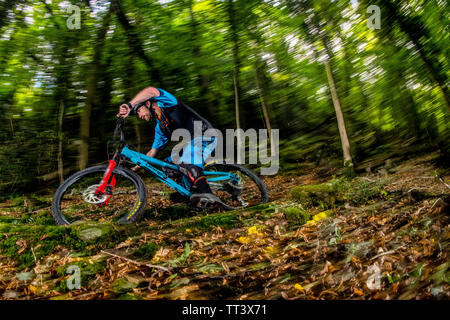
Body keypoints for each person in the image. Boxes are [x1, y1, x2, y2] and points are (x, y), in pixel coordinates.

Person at [117, 86, 219, 207]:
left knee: (187, 161)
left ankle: (210, 196)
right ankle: (191, 194)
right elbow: (152, 153)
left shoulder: (167, 102)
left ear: (148, 103)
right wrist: (134, 168)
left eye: (139, 111)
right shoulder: (160, 127)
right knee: (168, 165)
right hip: (191, 143)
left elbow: (151, 90)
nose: (139, 116)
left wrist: (129, 105)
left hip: (205, 135)